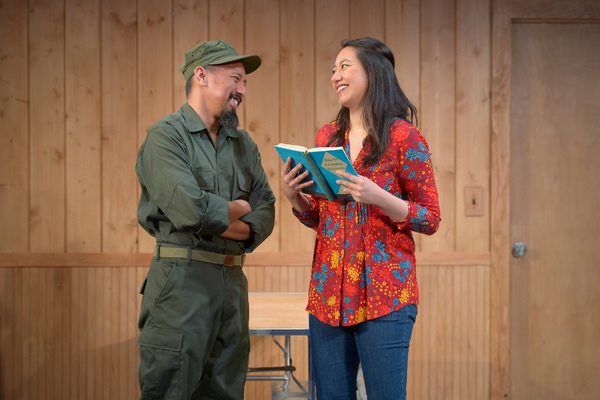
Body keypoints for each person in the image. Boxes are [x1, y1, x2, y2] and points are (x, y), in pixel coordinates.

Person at [281, 37, 441, 399]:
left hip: (385, 294)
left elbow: (430, 218)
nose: (336, 75)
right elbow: (323, 218)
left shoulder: (404, 136)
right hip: (328, 293)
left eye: (345, 66)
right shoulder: (328, 137)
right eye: (333, 69)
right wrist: (295, 197)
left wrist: (379, 197)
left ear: (373, 72)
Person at [135, 40, 275, 400]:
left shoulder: (245, 145)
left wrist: (225, 213)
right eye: (235, 79)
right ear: (201, 76)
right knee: (171, 390)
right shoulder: (165, 137)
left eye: (244, 83)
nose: (242, 90)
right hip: (181, 285)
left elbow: (267, 212)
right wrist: (241, 208)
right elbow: (191, 210)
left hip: (232, 284)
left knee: (226, 392)